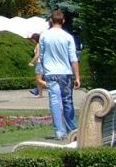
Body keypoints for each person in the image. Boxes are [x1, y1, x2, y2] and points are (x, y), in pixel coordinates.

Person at [39, 10, 81, 140]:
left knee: (55, 102)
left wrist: (41, 73)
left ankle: (59, 131)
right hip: (65, 73)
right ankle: (72, 129)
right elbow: (73, 58)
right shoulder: (67, 37)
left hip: (51, 73)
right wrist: (77, 77)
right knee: (67, 101)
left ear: (51, 20)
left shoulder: (44, 36)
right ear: (63, 21)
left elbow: (41, 55)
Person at [28, 33, 44, 98]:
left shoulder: (38, 45)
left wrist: (31, 62)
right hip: (41, 63)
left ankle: (51, 87)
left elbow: (37, 55)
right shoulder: (41, 45)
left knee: (39, 80)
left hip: (39, 63)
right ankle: (40, 94)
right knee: (39, 80)